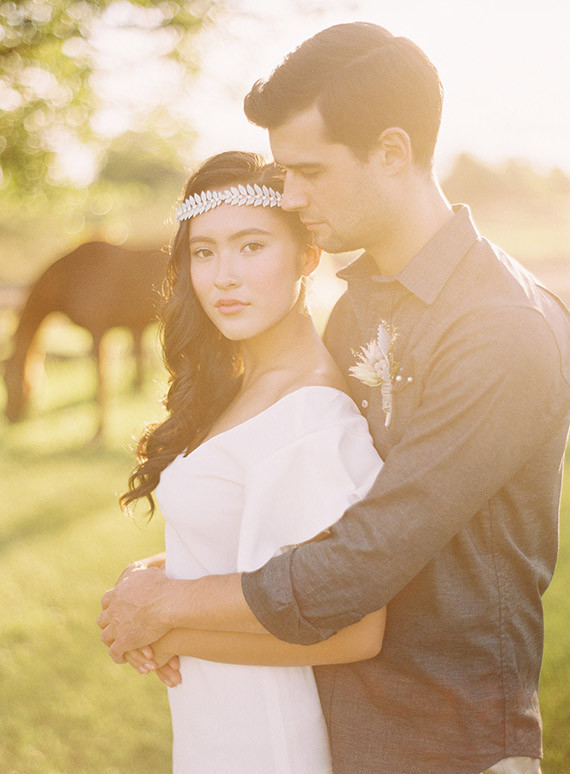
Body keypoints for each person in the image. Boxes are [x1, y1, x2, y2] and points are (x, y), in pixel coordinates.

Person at [99, 23, 570, 774]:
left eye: (307, 170)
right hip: (333, 719)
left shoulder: (501, 330)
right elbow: (316, 507)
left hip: (444, 741)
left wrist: (171, 607)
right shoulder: (360, 304)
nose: (289, 194)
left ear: (391, 151)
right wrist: (189, 567)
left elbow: (364, 556)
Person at [107, 150, 386, 773]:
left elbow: (356, 630)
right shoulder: (239, 387)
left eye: (251, 246)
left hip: (267, 740)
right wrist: (147, 577)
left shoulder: (311, 416)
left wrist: (159, 624)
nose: (222, 276)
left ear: (307, 256)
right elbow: (252, 550)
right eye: (203, 252)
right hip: (213, 724)